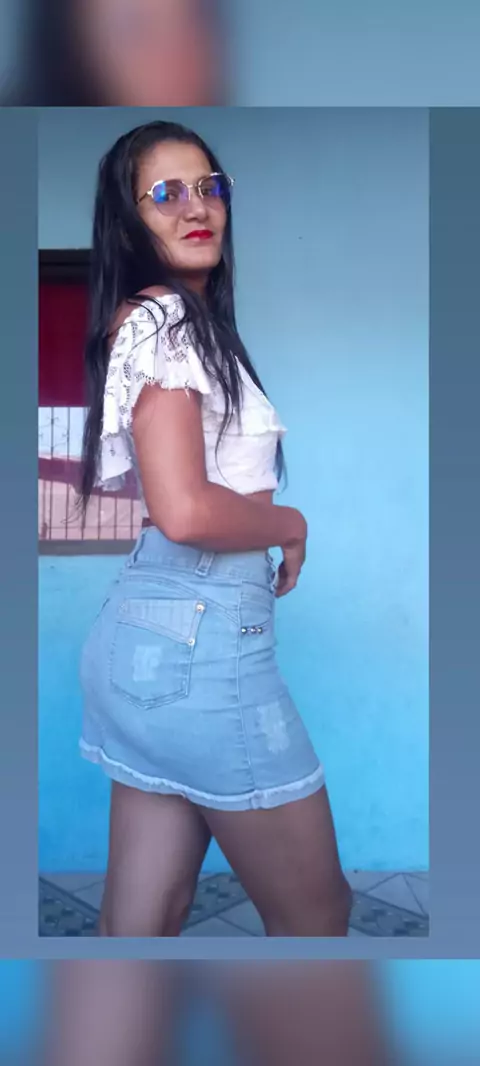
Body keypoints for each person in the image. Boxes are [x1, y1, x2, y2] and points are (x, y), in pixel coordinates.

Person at [78, 119, 352, 937]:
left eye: (210, 187)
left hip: (150, 643)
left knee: (143, 920)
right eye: (166, 193)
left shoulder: (180, 324)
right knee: (318, 916)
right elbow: (186, 510)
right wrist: (290, 522)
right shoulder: (165, 323)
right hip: (201, 647)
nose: (196, 207)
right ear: (128, 219)